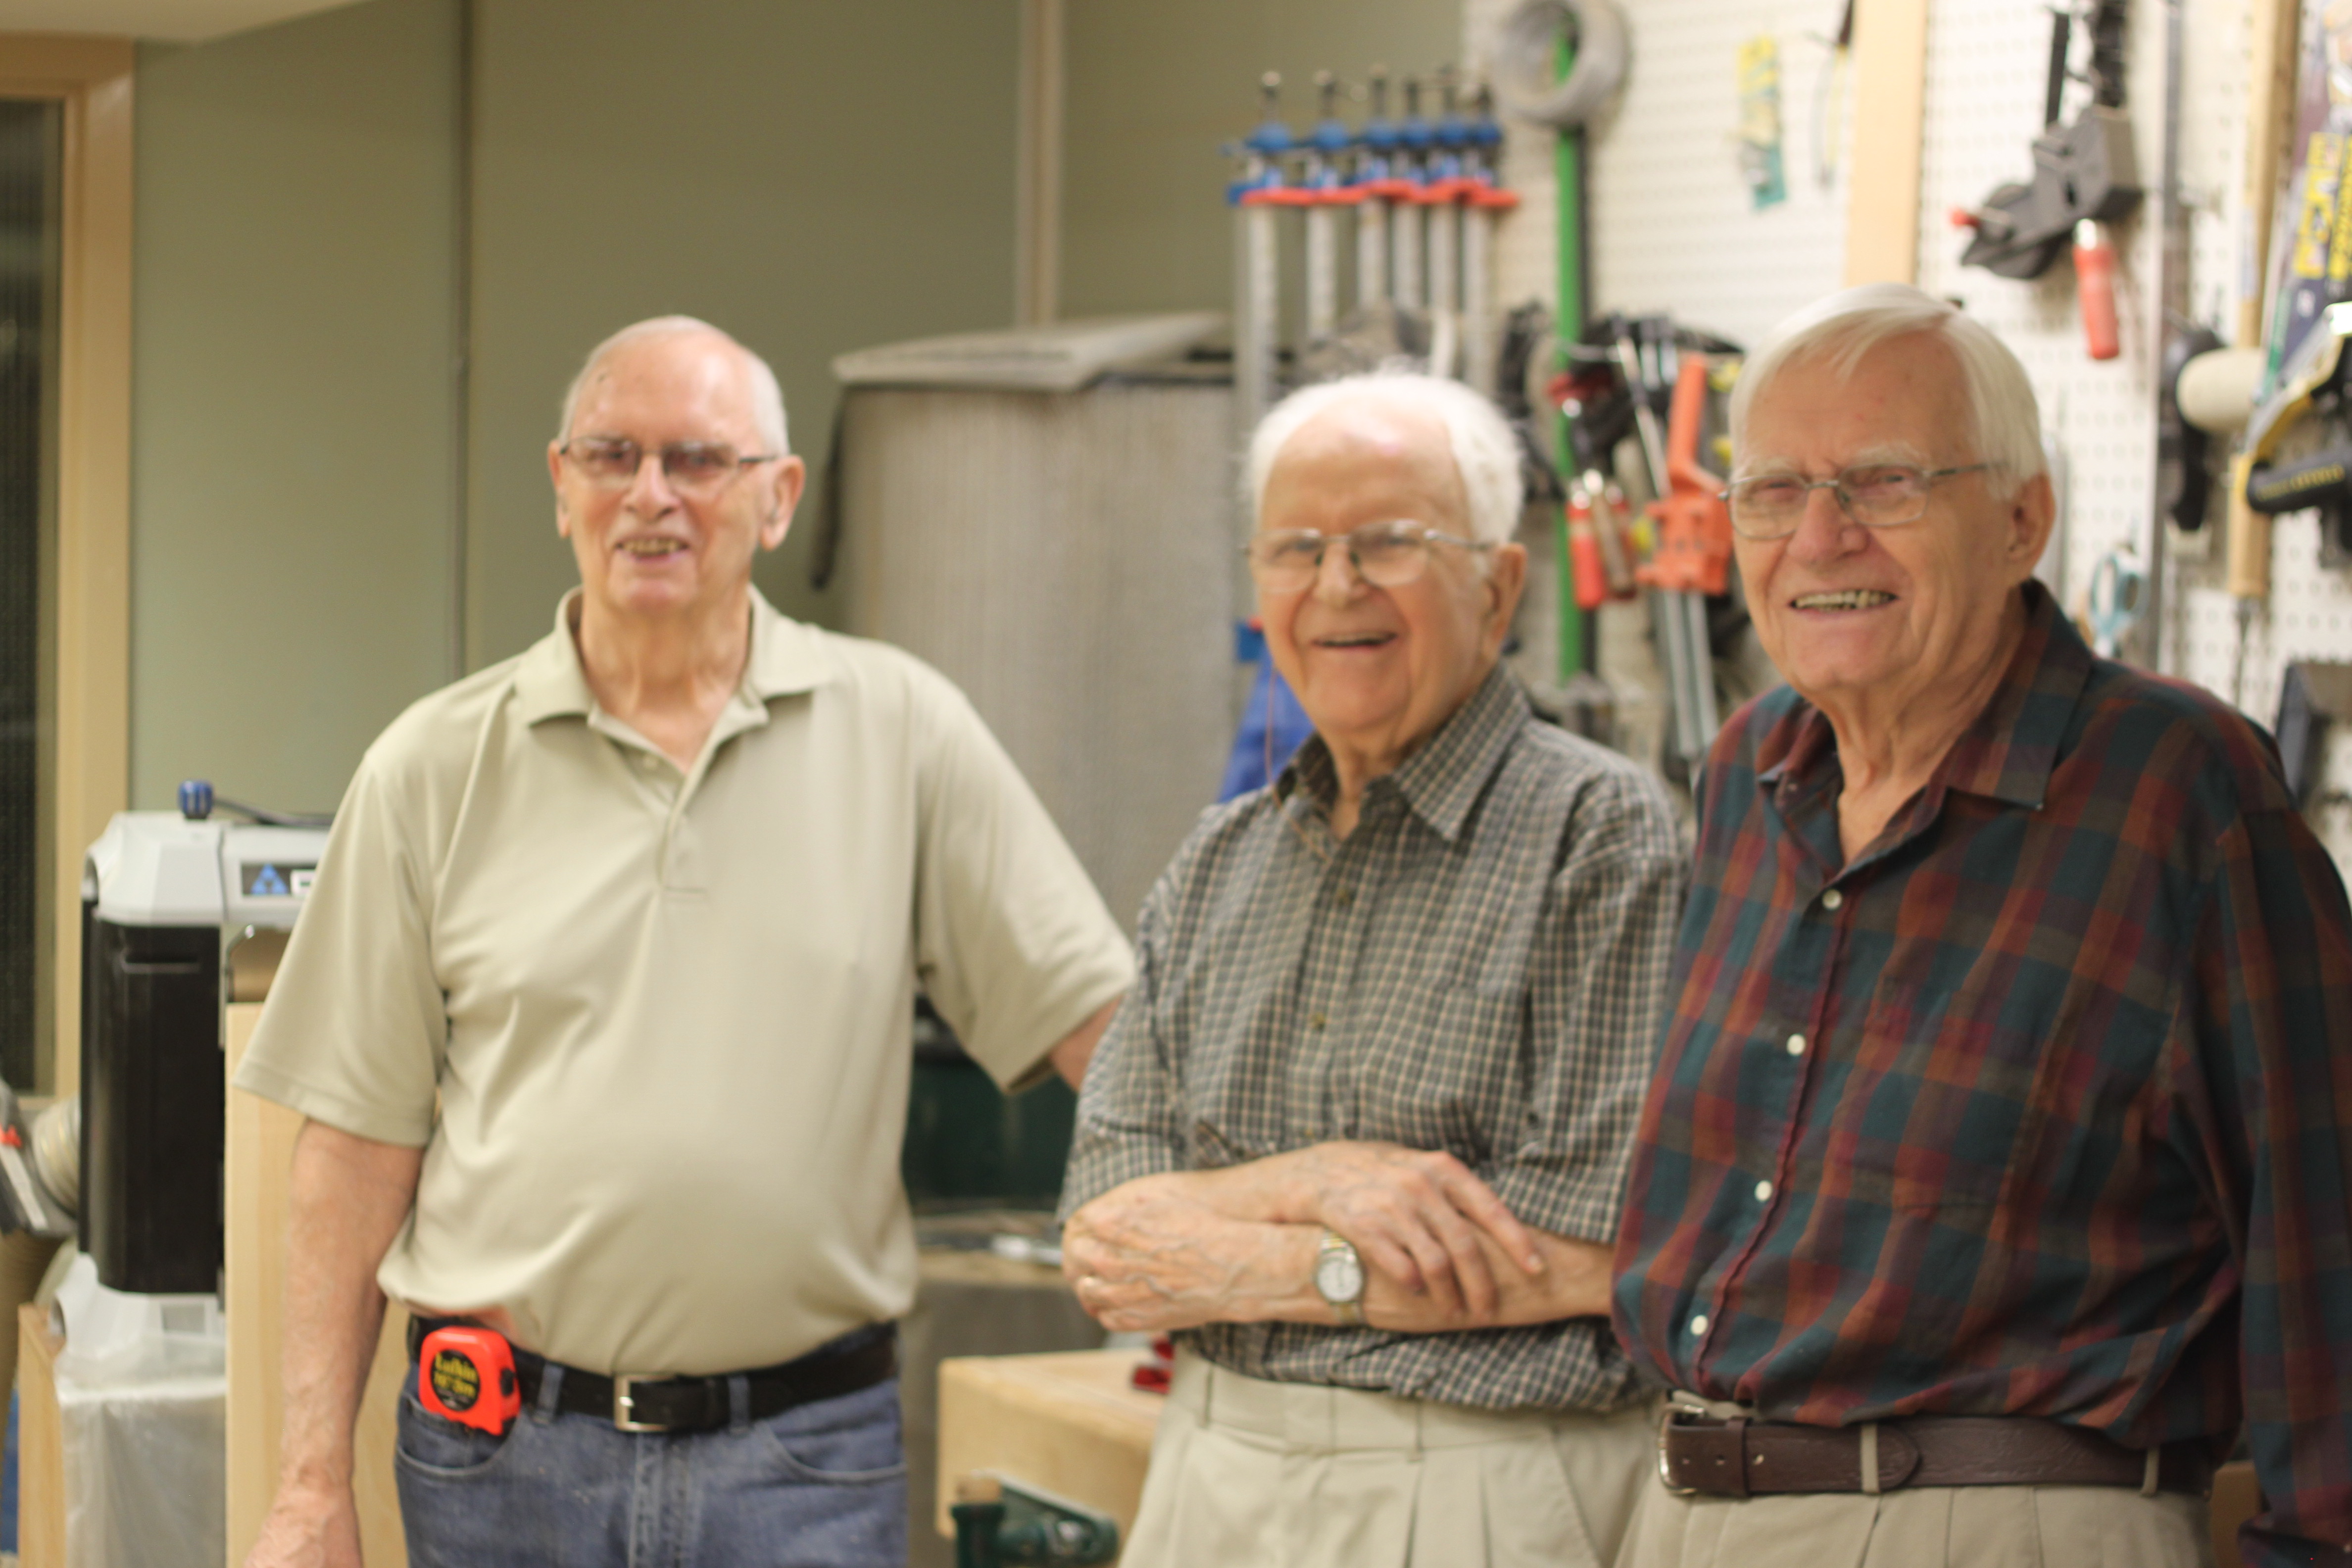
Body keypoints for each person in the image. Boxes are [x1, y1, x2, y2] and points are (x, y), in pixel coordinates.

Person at [234, 316, 1132, 1567]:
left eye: (699, 460)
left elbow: (1106, 1034)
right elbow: (350, 1155)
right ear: (561, 487)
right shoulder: (433, 767)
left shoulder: (904, 734)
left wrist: (1261, 1239)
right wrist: (305, 1487)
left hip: (804, 1465)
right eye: (612, 455)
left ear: (778, 499)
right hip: (505, 1464)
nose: (650, 495)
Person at [1610, 283, 2352, 1568]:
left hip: (1994, 1522)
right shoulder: (1751, 767)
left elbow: (2325, 1234)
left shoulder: (2175, 785)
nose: (1822, 539)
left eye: (1886, 483)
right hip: (1691, 1511)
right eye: (1774, 492)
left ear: (2023, 521)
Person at [1059, 371, 1685, 1568]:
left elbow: (1601, 1244)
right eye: (1298, 548)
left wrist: (1249, 1251)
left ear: (1499, 585)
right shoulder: (1217, 861)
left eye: (1389, 543)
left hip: (1480, 1480)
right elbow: (1103, 1226)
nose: (1336, 586)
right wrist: (1328, 1180)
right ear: (1259, 587)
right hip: (1210, 1471)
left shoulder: (1602, 834)